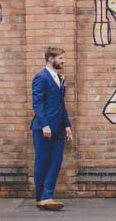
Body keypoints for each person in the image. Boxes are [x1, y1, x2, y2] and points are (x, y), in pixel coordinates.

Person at [31, 46, 74, 211]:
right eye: (61, 58)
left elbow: (61, 104)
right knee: (42, 162)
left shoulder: (60, 78)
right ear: (51, 59)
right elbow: (37, 103)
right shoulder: (40, 77)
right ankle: (41, 198)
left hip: (58, 127)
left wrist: (67, 125)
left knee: (57, 160)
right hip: (44, 128)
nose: (63, 61)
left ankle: (47, 196)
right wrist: (44, 125)